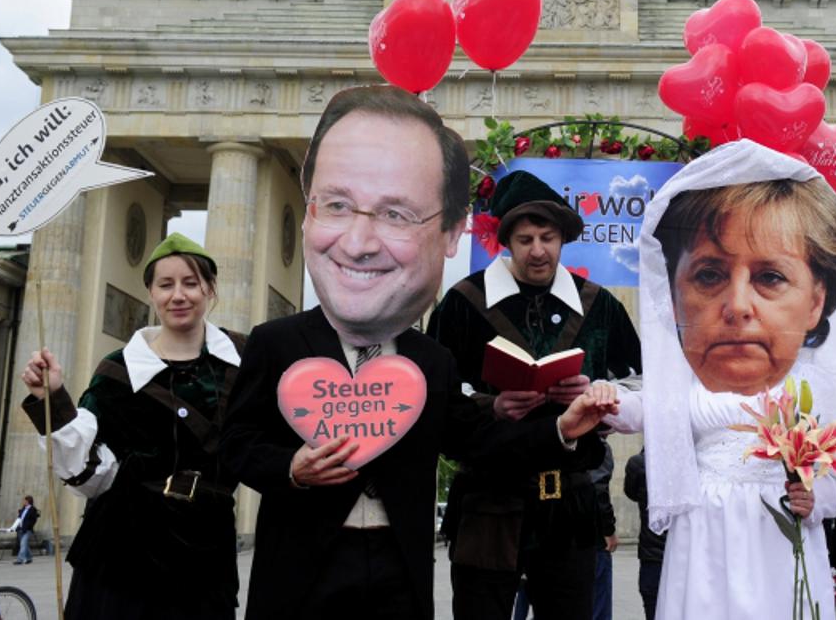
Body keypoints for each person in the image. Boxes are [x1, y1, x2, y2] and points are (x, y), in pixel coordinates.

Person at [219, 85, 618, 620]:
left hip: (397, 570)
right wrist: (291, 467)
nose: (361, 242)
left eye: (397, 215)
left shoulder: (431, 360)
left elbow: (477, 440)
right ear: (310, 212)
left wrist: (561, 430)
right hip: (300, 563)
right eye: (338, 205)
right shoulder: (277, 343)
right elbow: (237, 444)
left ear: (450, 234)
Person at [604, 141, 836, 620]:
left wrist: (817, 497)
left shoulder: (812, 384)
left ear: (816, 300)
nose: (738, 306)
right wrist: (600, 398)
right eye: (709, 275)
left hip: (780, 527)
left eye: (769, 277)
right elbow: (645, 408)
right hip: (703, 529)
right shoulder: (688, 377)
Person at [427, 169, 641, 620]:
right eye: (525, 239)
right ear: (506, 241)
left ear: (563, 239)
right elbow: (434, 400)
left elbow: (643, 384)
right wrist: (492, 405)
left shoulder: (600, 305)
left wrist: (599, 393)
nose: (538, 250)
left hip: (570, 506)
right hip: (489, 503)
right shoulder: (463, 303)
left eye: (547, 237)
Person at [21, 233, 244, 619]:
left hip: (206, 545)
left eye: (191, 283)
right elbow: (90, 476)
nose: (179, 295)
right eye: (166, 284)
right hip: (123, 547)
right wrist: (53, 399)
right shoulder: (116, 370)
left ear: (210, 288)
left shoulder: (245, 359)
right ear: (150, 293)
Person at [623, 448, 666, 620]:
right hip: (682, 553)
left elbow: (631, 492)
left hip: (652, 553)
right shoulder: (691, 461)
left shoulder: (639, 463)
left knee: (652, 608)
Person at [590, 440, 617, 620]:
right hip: (593, 536)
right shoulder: (597, 447)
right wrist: (608, 530)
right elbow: (598, 489)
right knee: (599, 601)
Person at [12, 495, 38, 564]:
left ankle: (20, 560)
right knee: (24, 544)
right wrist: (15, 526)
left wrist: (28, 526)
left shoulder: (33, 509)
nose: (23, 502)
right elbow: (19, 518)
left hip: (27, 530)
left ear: (28, 501)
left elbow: (34, 520)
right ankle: (29, 558)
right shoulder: (23, 509)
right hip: (20, 529)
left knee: (23, 544)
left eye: (25, 501)